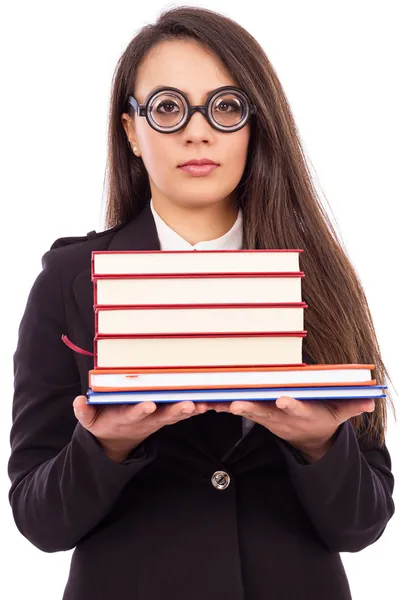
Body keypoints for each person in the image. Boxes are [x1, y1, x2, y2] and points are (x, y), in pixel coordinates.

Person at [8, 6, 395, 600]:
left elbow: (364, 524)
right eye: (167, 108)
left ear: (254, 124)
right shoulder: (69, 279)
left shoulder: (316, 275)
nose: (198, 131)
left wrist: (319, 444)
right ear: (132, 132)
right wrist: (104, 447)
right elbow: (39, 522)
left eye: (226, 106)